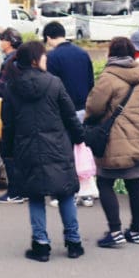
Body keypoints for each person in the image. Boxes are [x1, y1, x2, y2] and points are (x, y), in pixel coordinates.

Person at [2, 41, 85, 262]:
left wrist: (7, 151)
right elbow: (70, 116)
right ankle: (74, 243)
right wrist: (79, 138)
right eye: (44, 56)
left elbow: (8, 124)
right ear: (34, 60)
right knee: (66, 193)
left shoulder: (12, 87)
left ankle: (41, 245)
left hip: (27, 149)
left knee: (36, 196)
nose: (46, 60)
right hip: (57, 147)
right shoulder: (54, 83)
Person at [85, 37, 139, 248]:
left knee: (105, 183)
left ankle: (115, 231)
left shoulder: (108, 77)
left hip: (113, 139)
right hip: (137, 137)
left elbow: (94, 107)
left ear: (111, 53)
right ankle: (136, 231)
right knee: (134, 184)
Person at [44, 20, 96, 205]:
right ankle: (87, 193)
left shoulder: (52, 57)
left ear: (49, 37)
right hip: (84, 108)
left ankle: (69, 193)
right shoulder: (82, 53)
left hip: (62, 111)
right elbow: (91, 82)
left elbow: (50, 86)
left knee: (65, 152)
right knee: (83, 150)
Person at [0, 28, 27, 204]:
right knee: (18, 151)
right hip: (20, 113)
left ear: (9, 42)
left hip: (10, 113)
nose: (0, 42)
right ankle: (23, 190)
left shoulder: (10, 61)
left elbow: (5, 88)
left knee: (8, 151)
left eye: (2, 39)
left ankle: (15, 191)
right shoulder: (20, 59)